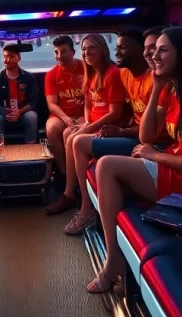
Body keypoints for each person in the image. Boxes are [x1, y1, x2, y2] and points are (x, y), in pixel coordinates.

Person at [87, 27, 182, 293]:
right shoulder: (170, 88)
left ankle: (113, 261)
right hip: (171, 166)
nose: (154, 56)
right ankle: (118, 259)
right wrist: (157, 87)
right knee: (107, 169)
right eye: (154, 49)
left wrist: (154, 155)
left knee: (107, 165)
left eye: (163, 50)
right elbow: (146, 134)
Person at [65, 27, 163, 227]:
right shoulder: (125, 74)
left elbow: (134, 124)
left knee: (79, 141)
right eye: (117, 47)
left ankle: (85, 208)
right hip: (131, 133)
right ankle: (72, 192)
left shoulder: (152, 81)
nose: (117, 52)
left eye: (123, 48)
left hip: (142, 140)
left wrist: (120, 130)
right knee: (73, 135)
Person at [46, 33, 129, 227]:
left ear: (102, 49)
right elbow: (89, 105)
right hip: (95, 122)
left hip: (110, 126)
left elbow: (114, 114)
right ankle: (69, 189)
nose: (87, 52)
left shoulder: (112, 73)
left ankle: (84, 205)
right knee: (68, 134)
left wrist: (88, 127)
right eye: (84, 49)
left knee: (74, 138)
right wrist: (86, 123)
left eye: (91, 48)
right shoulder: (91, 74)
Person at [43, 35, 85, 175]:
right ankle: (64, 171)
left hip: (84, 113)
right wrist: (66, 118)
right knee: (51, 129)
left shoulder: (86, 68)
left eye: (63, 51)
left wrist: (82, 117)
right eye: (56, 52)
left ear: (73, 52)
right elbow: (52, 104)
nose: (59, 56)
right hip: (61, 114)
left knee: (73, 131)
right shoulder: (51, 75)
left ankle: (78, 171)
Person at [0, 44, 41, 144]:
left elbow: (33, 101)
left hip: (23, 114)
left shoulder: (29, 77)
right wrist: (5, 111)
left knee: (32, 116)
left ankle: (31, 149)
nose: (7, 60)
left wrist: (20, 112)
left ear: (19, 58)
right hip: (4, 116)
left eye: (11, 57)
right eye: (5, 57)